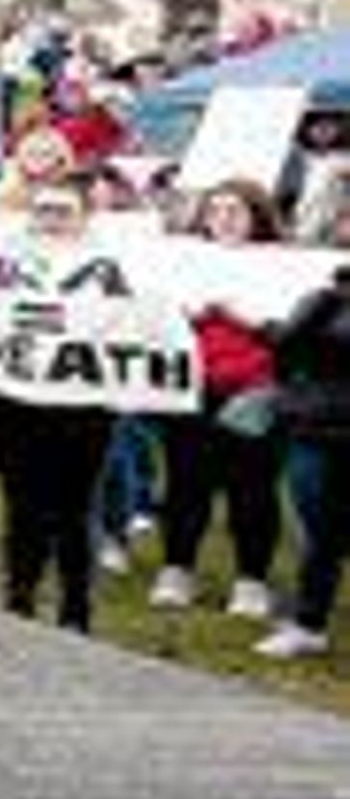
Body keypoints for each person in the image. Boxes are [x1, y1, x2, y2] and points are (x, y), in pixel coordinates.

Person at [0, 183, 117, 632]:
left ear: (84, 218)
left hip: (83, 409)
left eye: (63, 212)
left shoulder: (113, 273)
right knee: (22, 508)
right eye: (43, 211)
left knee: (74, 509)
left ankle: (76, 607)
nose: (52, 220)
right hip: (14, 408)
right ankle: (20, 598)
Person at [154, 181, 286, 622]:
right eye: (215, 211)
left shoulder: (283, 265)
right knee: (185, 483)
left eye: (236, 210)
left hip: (256, 388)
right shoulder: (183, 263)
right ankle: (177, 568)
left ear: (257, 217)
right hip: (191, 387)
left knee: (252, 487)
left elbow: (294, 332)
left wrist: (247, 316)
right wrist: (185, 316)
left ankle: (251, 580)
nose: (225, 219)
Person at [259, 263, 350, 660]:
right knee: (320, 528)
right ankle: (308, 625)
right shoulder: (322, 298)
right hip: (316, 427)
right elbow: (285, 350)